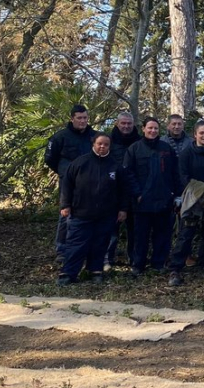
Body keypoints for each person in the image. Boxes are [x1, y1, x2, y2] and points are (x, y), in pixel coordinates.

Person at [57, 133, 128, 285]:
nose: (102, 147)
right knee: (76, 244)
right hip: (80, 213)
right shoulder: (80, 163)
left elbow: (123, 190)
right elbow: (67, 185)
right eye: (99, 144)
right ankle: (68, 273)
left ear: (110, 146)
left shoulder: (115, 166)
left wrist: (123, 209)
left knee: (100, 243)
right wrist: (65, 205)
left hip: (106, 214)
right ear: (93, 144)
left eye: (106, 144)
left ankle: (95, 270)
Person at [167, 121, 204, 286]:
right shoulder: (187, 154)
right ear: (195, 134)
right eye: (202, 133)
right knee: (185, 235)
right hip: (191, 201)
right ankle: (175, 270)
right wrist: (198, 192)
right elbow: (183, 176)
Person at [123, 117, 181, 276]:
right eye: (150, 128)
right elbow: (128, 174)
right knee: (140, 235)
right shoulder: (134, 149)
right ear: (143, 129)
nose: (153, 131)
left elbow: (175, 173)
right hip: (142, 201)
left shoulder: (166, 149)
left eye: (156, 128)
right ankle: (138, 265)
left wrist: (176, 194)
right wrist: (138, 194)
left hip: (164, 199)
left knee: (162, 234)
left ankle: (158, 263)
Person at [45, 104, 96, 263]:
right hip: (69, 184)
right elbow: (50, 159)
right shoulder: (60, 137)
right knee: (66, 215)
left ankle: (88, 249)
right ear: (72, 118)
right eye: (79, 118)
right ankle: (62, 249)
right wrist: (64, 172)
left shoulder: (94, 136)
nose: (82, 121)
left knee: (91, 215)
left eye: (85, 118)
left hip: (92, 183)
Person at [105, 112, 141, 270]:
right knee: (112, 227)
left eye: (129, 124)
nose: (126, 126)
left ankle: (134, 258)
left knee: (134, 228)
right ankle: (107, 259)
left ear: (134, 124)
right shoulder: (108, 142)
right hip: (113, 191)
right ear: (117, 124)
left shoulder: (140, 142)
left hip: (134, 190)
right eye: (123, 123)